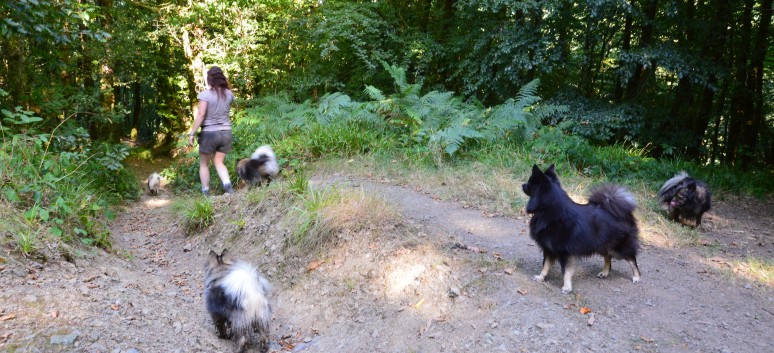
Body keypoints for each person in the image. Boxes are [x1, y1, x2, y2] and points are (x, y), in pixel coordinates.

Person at [187, 66, 235, 196]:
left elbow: (201, 114)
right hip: (226, 132)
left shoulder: (205, 95)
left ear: (210, 79)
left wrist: (192, 133)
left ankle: (206, 192)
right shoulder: (229, 94)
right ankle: (227, 186)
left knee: (204, 164)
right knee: (219, 161)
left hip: (209, 133)